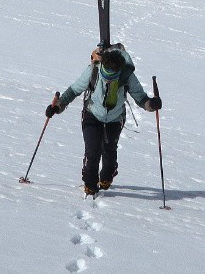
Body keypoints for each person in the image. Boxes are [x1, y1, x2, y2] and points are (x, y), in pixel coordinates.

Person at [46, 46, 162, 196]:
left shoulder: (127, 76)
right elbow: (74, 90)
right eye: (106, 76)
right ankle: (90, 184)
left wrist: (152, 104)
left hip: (115, 118)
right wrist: (57, 107)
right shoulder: (93, 71)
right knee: (92, 150)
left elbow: (141, 99)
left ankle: (107, 177)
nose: (108, 80)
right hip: (92, 114)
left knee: (109, 150)